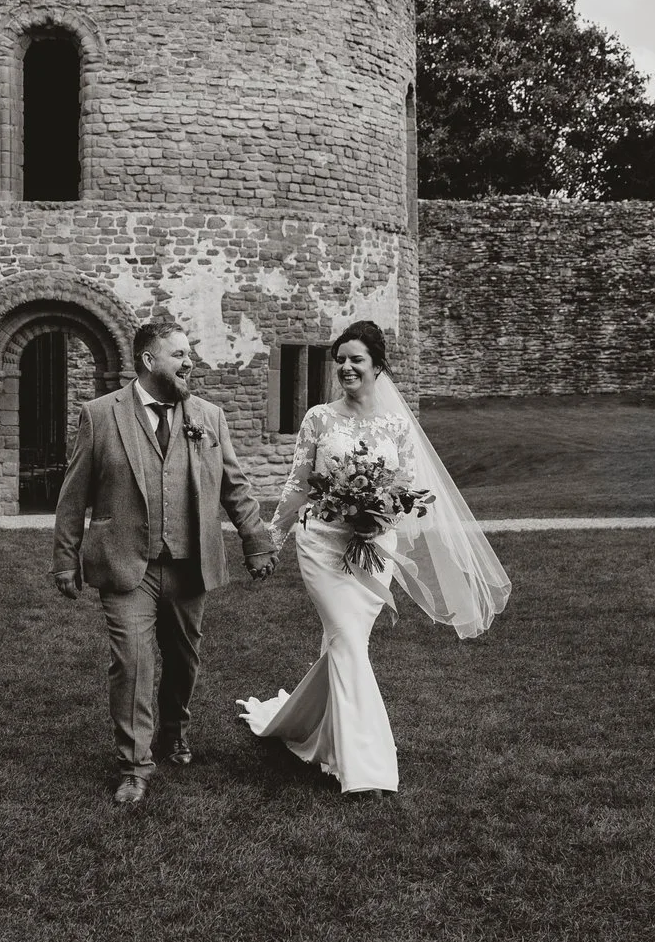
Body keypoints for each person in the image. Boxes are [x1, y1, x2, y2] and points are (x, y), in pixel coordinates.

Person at [239, 320, 511, 794]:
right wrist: (271, 541)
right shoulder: (319, 419)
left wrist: (379, 517)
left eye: (355, 359)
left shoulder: (397, 425)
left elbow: (407, 489)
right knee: (347, 640)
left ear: (377, 366)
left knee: (344, 644)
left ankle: (312, 732)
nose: (345, 367)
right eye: (339, 359)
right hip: (322, 546)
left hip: (373, 548)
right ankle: (368, 766)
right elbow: (297, 485)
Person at [55, 322, 278, 806]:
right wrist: (64, 558)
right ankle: (135, 765)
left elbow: (233, 487)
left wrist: (255, 541)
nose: (189, 361)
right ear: (148, 361)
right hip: (124, 564)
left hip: (188, 564)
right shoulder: (100, 415)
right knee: (131, 663)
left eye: (190, 353)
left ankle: (174, 730)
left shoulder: (208, 416)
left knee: (183, 661)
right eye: (178, 353)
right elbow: (73, 495)